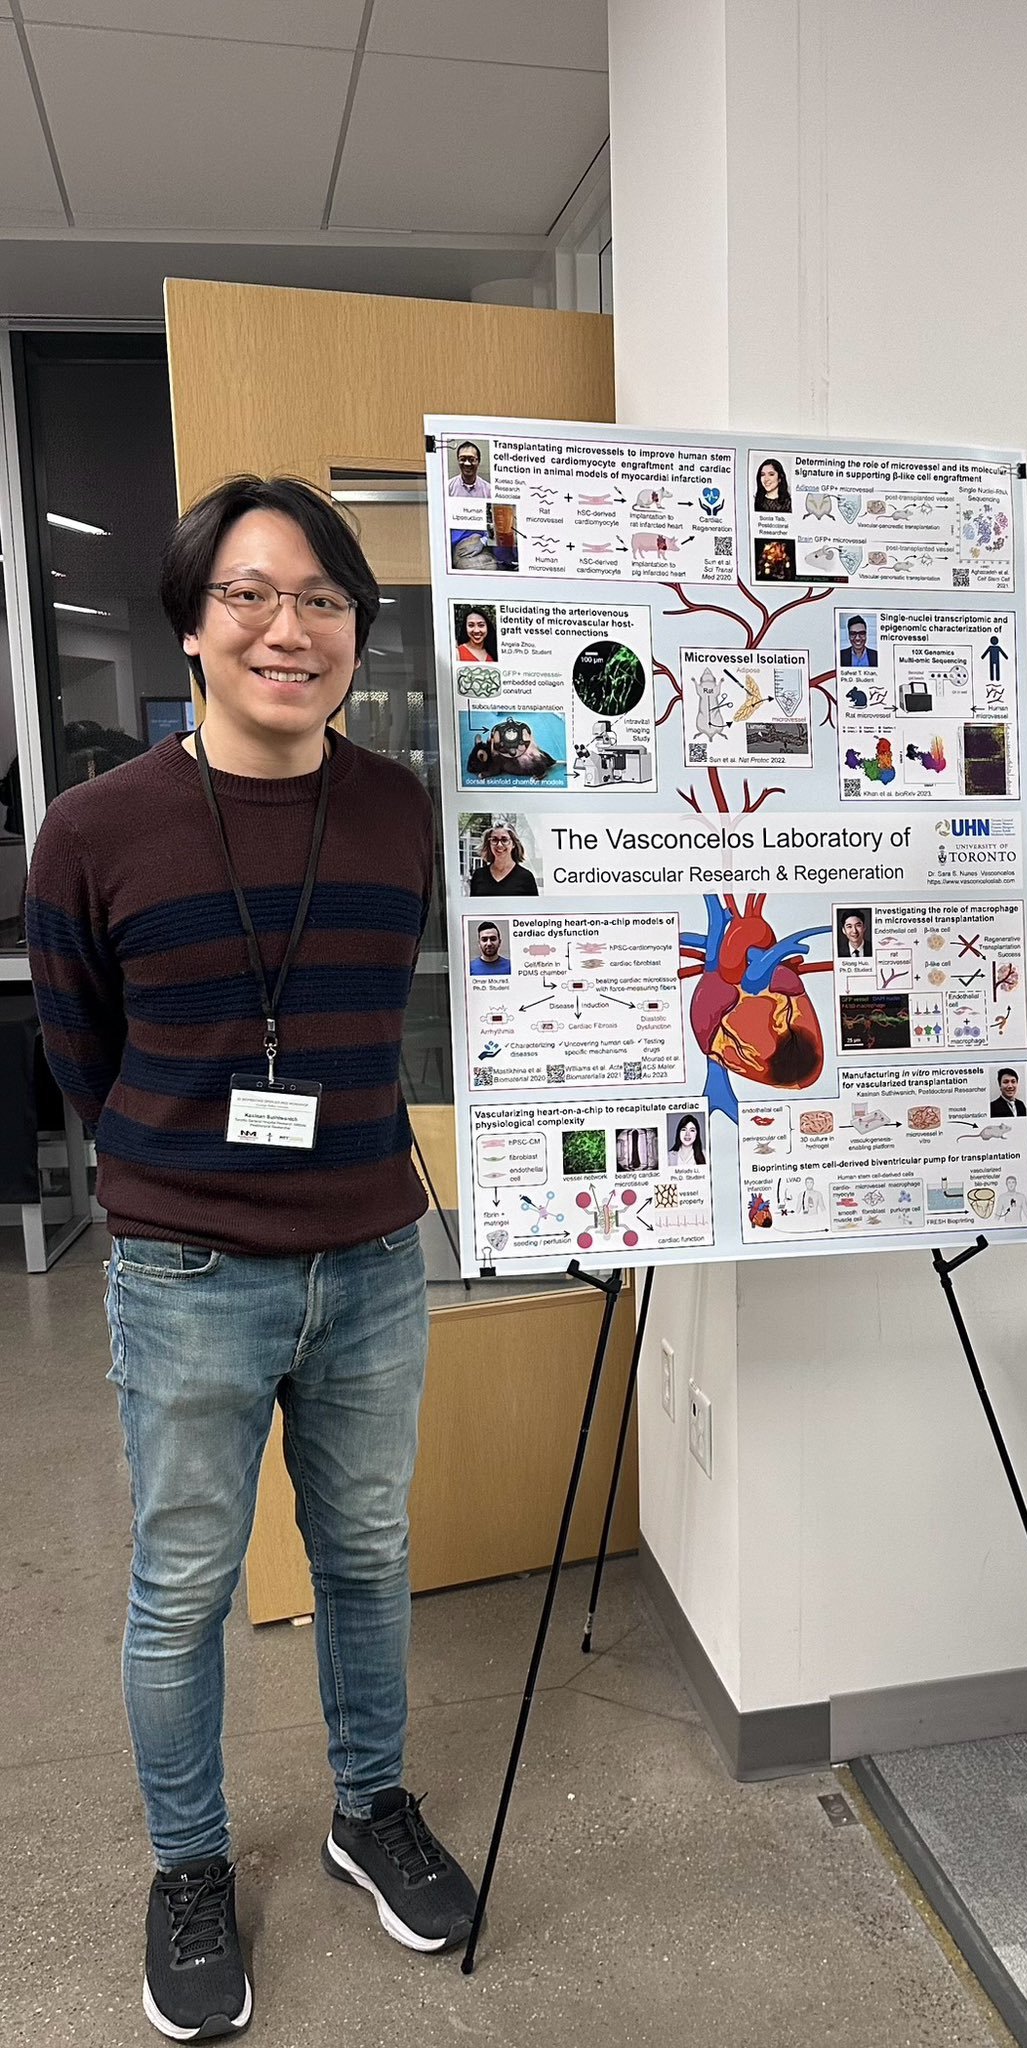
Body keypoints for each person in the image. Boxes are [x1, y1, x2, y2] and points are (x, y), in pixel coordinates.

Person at [25, 474, 480, 2042]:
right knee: (182, 1590)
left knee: (364, 1556)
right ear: (194, 623)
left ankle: (370, 1807)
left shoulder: (400, 807)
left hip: (371, 1254)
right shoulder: (95, 829)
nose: (289, 629)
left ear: (356, 629)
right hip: (187, 1272)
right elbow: (81, 1047)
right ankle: (190, 1867)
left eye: (323, 600)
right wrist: (174, 1170)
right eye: (251, 595)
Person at [470, 821, 538, 896]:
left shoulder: (526, 877)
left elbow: (533, 904)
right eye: (494, 840)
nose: (499, 844)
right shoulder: (479, 875)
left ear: (514, 844)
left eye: (504, 840)